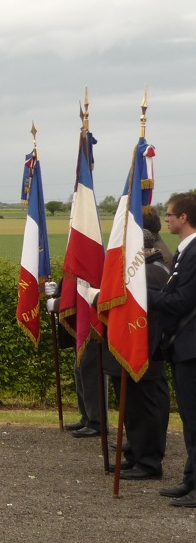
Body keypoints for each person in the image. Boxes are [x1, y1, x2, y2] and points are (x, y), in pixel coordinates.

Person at [103, 228, 171, 480]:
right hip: (141, 349)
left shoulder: (148, 273)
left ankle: (148, 462)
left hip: (144, 350)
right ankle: (136, 454)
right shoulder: (151, 268)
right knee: (133, 408)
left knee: (143, 408)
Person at [148, 191, 196, 506]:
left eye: (169, 214)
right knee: (190, 421)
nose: (166, 219)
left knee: (195, 419)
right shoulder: (184, 252)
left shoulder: (194, 253)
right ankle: (191, 480)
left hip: (191, 349)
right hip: (184, 348)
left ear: (183, 218)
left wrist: (145, 294)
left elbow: (181, 302)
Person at [44, 279, 104, 437]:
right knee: (80, 371)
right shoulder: (77, 265)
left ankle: (97, 421)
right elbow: (72, 290)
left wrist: (56, 303)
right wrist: (57, 291)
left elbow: (80, 296)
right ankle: (87, 416)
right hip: (80, 327)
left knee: (90, 374)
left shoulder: (87, 265)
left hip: (90, 326)